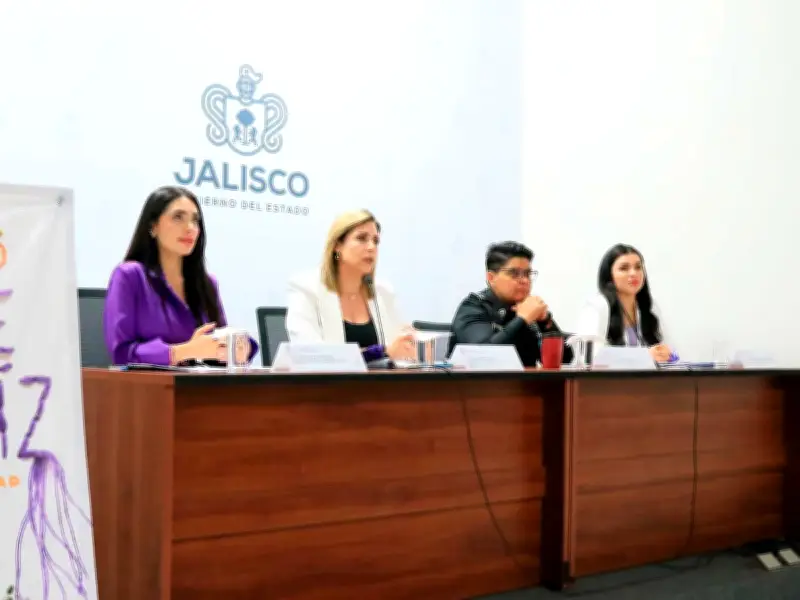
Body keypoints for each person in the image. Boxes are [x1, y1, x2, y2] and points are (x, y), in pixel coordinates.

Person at [103, 185, 258, 366]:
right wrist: (183, 351)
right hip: (149, 383)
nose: (190, 228)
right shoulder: (130, 276)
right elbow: (121, 354)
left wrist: (239, 348)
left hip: (197, 382)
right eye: (178, 217)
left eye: (195, 220)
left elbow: (218, 344)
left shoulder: (206, 283)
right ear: (153, 226)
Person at [286, 209, 415, 363]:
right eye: (361, 238)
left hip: (381, 379)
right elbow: (308, 353)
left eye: (376, 241)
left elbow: (399, 348)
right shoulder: (306, 288)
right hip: (329, 379)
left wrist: (411, 344)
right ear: (337, 246)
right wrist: (380, 352)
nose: (371, 247)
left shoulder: (383, 292)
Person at [449, 241, 572, 367]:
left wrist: (545, 320)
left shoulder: (527, 308)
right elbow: (485, 357)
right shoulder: (473, 308)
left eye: (527, 274)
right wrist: (522, 319)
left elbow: (566, 360)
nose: (525, 280)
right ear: (491, 278)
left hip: (525, 379)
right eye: (514, 274)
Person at [575, 243, 673, 362]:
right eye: (624, 268)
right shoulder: (595, 307)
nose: (633, 273)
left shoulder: (649, 306)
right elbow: (589, 357)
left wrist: (667, 355)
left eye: (638, 267)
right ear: (609, 276)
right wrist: (644, 355)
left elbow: (670, 350)